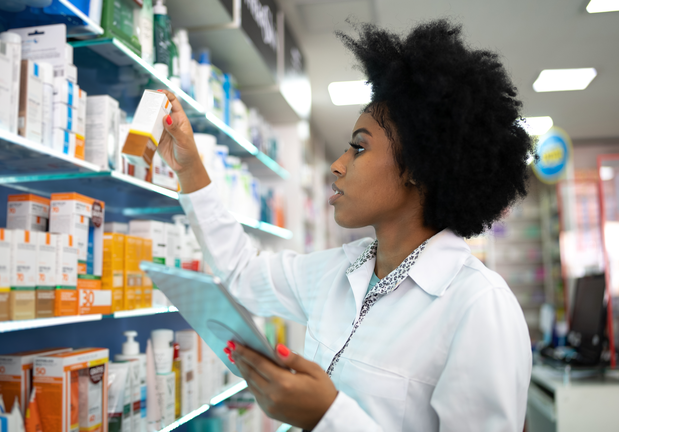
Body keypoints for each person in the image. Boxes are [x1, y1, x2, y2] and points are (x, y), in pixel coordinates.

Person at [155, 18, 534, 432]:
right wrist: (190, 169)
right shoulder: (339, 271)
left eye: (359, 147)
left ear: (418, 168)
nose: (338, 164)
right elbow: (243, 273)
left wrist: (327, 416)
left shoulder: (478, 306)